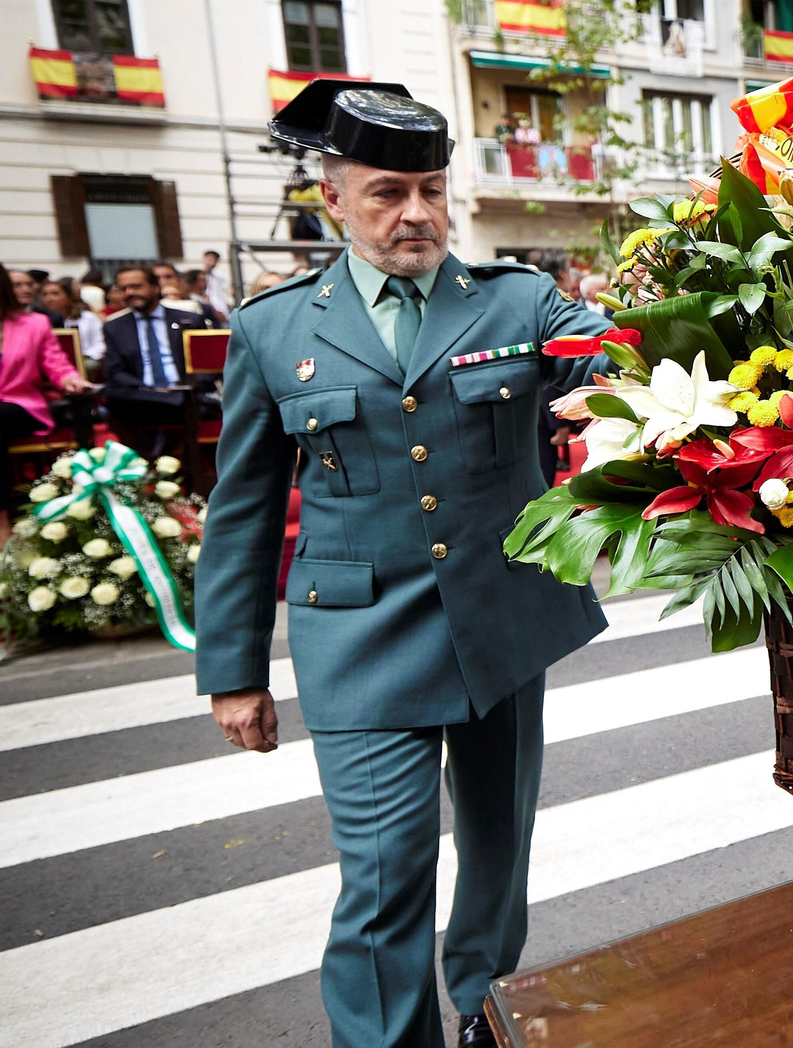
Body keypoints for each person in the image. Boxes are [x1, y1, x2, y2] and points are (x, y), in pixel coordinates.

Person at [194, 79, 613, 1048]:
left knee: (498, 851)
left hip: (502, 622)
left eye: (430, 187)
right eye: (387, 191)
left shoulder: (519, 299)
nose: (414, 212)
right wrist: (234, 671)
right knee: (383, 870)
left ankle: (484, 1010)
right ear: (333, 197)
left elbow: (612, 366)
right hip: (360, 632)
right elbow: (244, 507)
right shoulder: (275, 326)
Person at [0, 262, 92, 538]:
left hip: (20, 404)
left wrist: (70, 379)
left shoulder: (34, 324)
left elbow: (56, 363)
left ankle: (2, 525)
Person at [102, 266, 210, 458]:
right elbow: (115, 371)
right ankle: (149, 462)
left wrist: (186, 386)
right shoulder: (114, 327)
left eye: (136, 286)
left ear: (155, 287)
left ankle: (160, 461)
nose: (130, 293)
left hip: (186, 395)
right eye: (123, 288)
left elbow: (205, 365)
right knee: (112, 396)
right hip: (142, 397)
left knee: (192, 401)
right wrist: (150, 389)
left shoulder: (189, 319)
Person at [39, 279, 105, 361]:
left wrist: (84, 355)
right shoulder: (39, 321)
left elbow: (100, 344)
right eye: (44, 294)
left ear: (68, 296)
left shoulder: (87, 318)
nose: (49, 298)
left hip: (86, 360)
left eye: (55, 294)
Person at [198, 250, 230, 319]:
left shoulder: (220, 277)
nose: (212, 263)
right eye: (210, 260)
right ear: (204, 260)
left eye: (214, 261)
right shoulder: (198, 276)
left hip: (222, 310)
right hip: (208, 311)